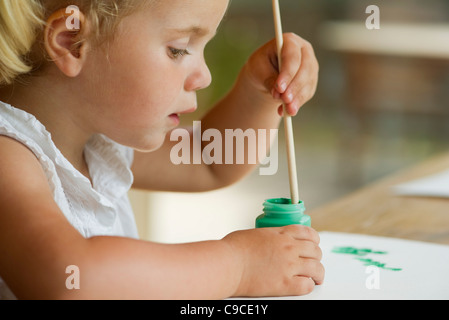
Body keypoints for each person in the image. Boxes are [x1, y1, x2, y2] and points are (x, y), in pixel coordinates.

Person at [0, 0, 323, 299]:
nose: (205, 76)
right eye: (179, 49)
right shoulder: (8, 156)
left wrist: (260, 94)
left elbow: (209, 160)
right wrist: (237, 266)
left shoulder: (98, 144)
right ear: (73, 42)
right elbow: (71, 279)